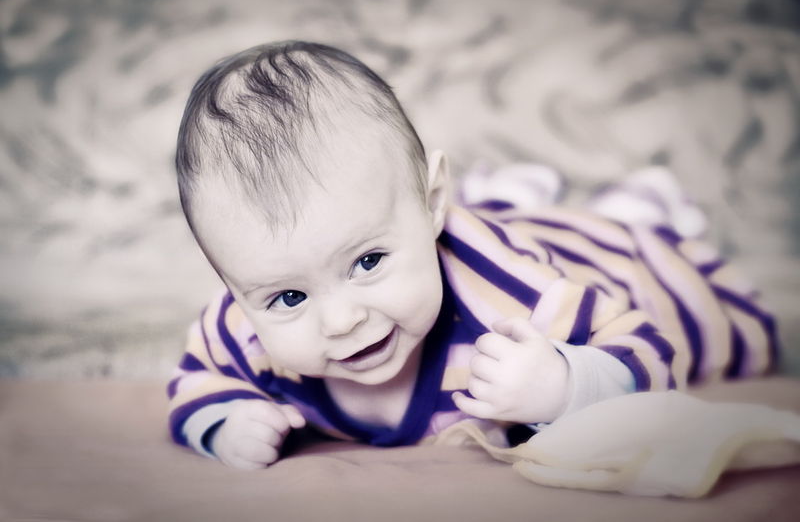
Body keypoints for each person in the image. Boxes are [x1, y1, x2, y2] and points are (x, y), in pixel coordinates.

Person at [167, 40, 778, 469]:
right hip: (466, 234)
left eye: (368, 262)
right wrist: (223, 423)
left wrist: (565, 384)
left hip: (614, 264)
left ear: (434, 201)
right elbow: (194, 380)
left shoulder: (508, 296)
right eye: (289, 297)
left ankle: (638, 212)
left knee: (720, 322)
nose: (341, 320)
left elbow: (650, 350)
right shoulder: (242, 327)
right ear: (235, 284)